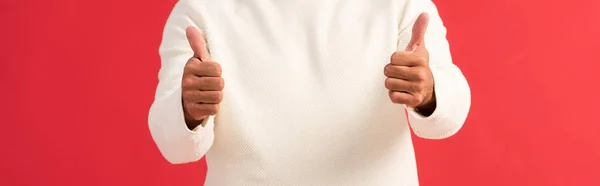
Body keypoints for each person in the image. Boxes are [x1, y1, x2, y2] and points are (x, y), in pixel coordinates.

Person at [148, 0, 471, 185]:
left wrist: (428, 92)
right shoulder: (200, 10)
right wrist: (188, 109)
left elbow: (447, 116)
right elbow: (173, 145)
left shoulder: (400, 3)